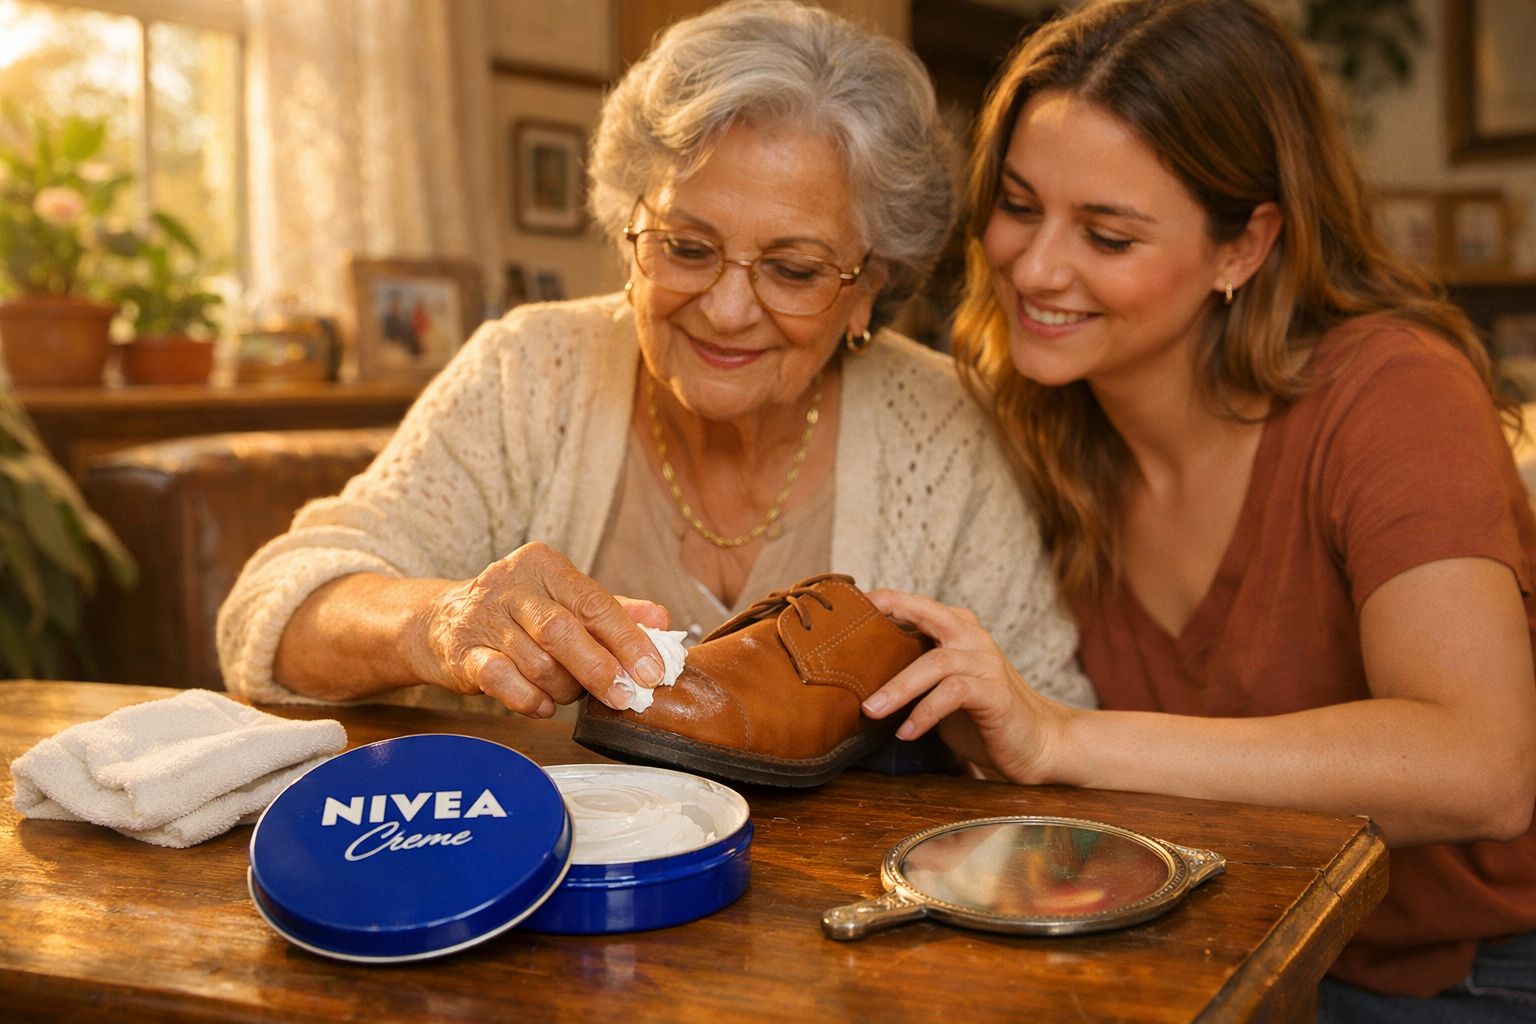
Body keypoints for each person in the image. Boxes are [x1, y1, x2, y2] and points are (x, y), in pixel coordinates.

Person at [861, 0, 1536, 1019]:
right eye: (1017, 203)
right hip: (1219, 946)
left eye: (1108, 234)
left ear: (1243, 246)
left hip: (1461, 969)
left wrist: (1064, 741)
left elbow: (1479, 768)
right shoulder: (1032, 418)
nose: (1035, 268)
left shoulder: (1393, 392)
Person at [217, 1, 1091, 729]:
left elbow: (1046, 713)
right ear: (628, 224)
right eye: (685, 245)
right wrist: (439, 621)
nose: (725, 307)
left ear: (870, 287)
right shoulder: (531, 372)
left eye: (792, 270)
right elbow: (274, 609)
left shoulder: (943, 426)